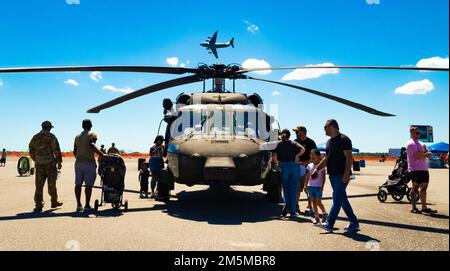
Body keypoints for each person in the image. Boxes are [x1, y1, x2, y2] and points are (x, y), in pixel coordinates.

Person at [313, 119, 360, 232]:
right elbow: (326, 158)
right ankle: (354, 222)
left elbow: (349, 157)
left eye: (325, 127)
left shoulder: (344, 139)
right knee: (342, 199)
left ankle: (329, 223)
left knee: (336, 199)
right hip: (333, 175)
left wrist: (346, 173)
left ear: (332, 127)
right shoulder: (329, 142)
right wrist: (317, 169)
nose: (324, 129)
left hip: (341, 175)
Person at [28, 121, 63, 212]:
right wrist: (59, 162)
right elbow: (56, 150)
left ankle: (38, 204)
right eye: (50, 127)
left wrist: (37, 159)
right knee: (51, 184)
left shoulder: (35, 137)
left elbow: (31, 150)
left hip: (39, 165)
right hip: (50, 164)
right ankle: (54, 201)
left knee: (39, 185)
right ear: (48, 127)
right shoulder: (51, 137)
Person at [272, 129, 305, 217]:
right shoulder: (293, 143)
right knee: (293, 189)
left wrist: (277, 164)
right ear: (290, 135)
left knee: (285, 188)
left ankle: (286, 202)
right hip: (294, 166)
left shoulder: (278, 144)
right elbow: (303, 149)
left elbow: (274, 157)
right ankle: (293, 211)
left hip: (283, 166)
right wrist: (297, 156)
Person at [74, 119, 104, 212]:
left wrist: (79, 157)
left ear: (82, 126)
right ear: (91, 125)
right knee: (88, 185)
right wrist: (102, 155)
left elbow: (75, 150)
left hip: (78, 163)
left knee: (78, 184)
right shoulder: (92, 134)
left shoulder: (77, 136)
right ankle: (87, 205)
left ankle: (78, 204)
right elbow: (92, 145)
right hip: (89, 162)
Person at [406, 126, 437, 214]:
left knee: (424, 188)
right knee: (415, 188)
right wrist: (425, 153)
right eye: (416, 133)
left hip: (424, 169)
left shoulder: (422, 143)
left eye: (418, 132)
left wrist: (424, 153)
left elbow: (430, 154)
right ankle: (414, 207)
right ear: (412, 133)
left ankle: (424, 207)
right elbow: (417, 155)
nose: (418, 134)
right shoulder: (410, 144)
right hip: (415, 169)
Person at [293, 125, 317, 215]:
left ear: (303, 132)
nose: (295, 133)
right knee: (297, 188)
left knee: (308, 189)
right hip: (297, 169)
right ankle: (295, 207)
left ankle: (309, 207)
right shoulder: (295, 142)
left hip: (308, 170)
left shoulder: (311, 143)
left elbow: (315, 156)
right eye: (295, 132)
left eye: (297, 132)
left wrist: (306, 162)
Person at [304, 149, 328, 224]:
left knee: (318, 202)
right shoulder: (309, 165)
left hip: (318, 187)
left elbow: (324, 178)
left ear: (318, 156)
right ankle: (316, 217)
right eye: (311, 155)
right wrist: (305, 185)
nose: (312, 156)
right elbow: (307, 176)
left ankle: (324, 213)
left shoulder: (321, 166)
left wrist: (322, 187)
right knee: (313, 202)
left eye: (314, 155)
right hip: (310, 186)